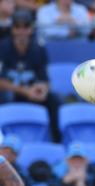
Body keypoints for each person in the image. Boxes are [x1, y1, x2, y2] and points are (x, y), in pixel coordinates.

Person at [0, 10, 61, 142]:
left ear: (31, 29)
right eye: (18, 27)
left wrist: (42, 90)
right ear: (12, 29)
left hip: (30, 93)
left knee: (54, 100)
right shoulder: (3, 47)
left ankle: (57, 141)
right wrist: (24, 91)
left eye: (26, 26)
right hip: (10, 93)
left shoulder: (38, 49)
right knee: (5, 96)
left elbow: (45, 79)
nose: (22, 31)